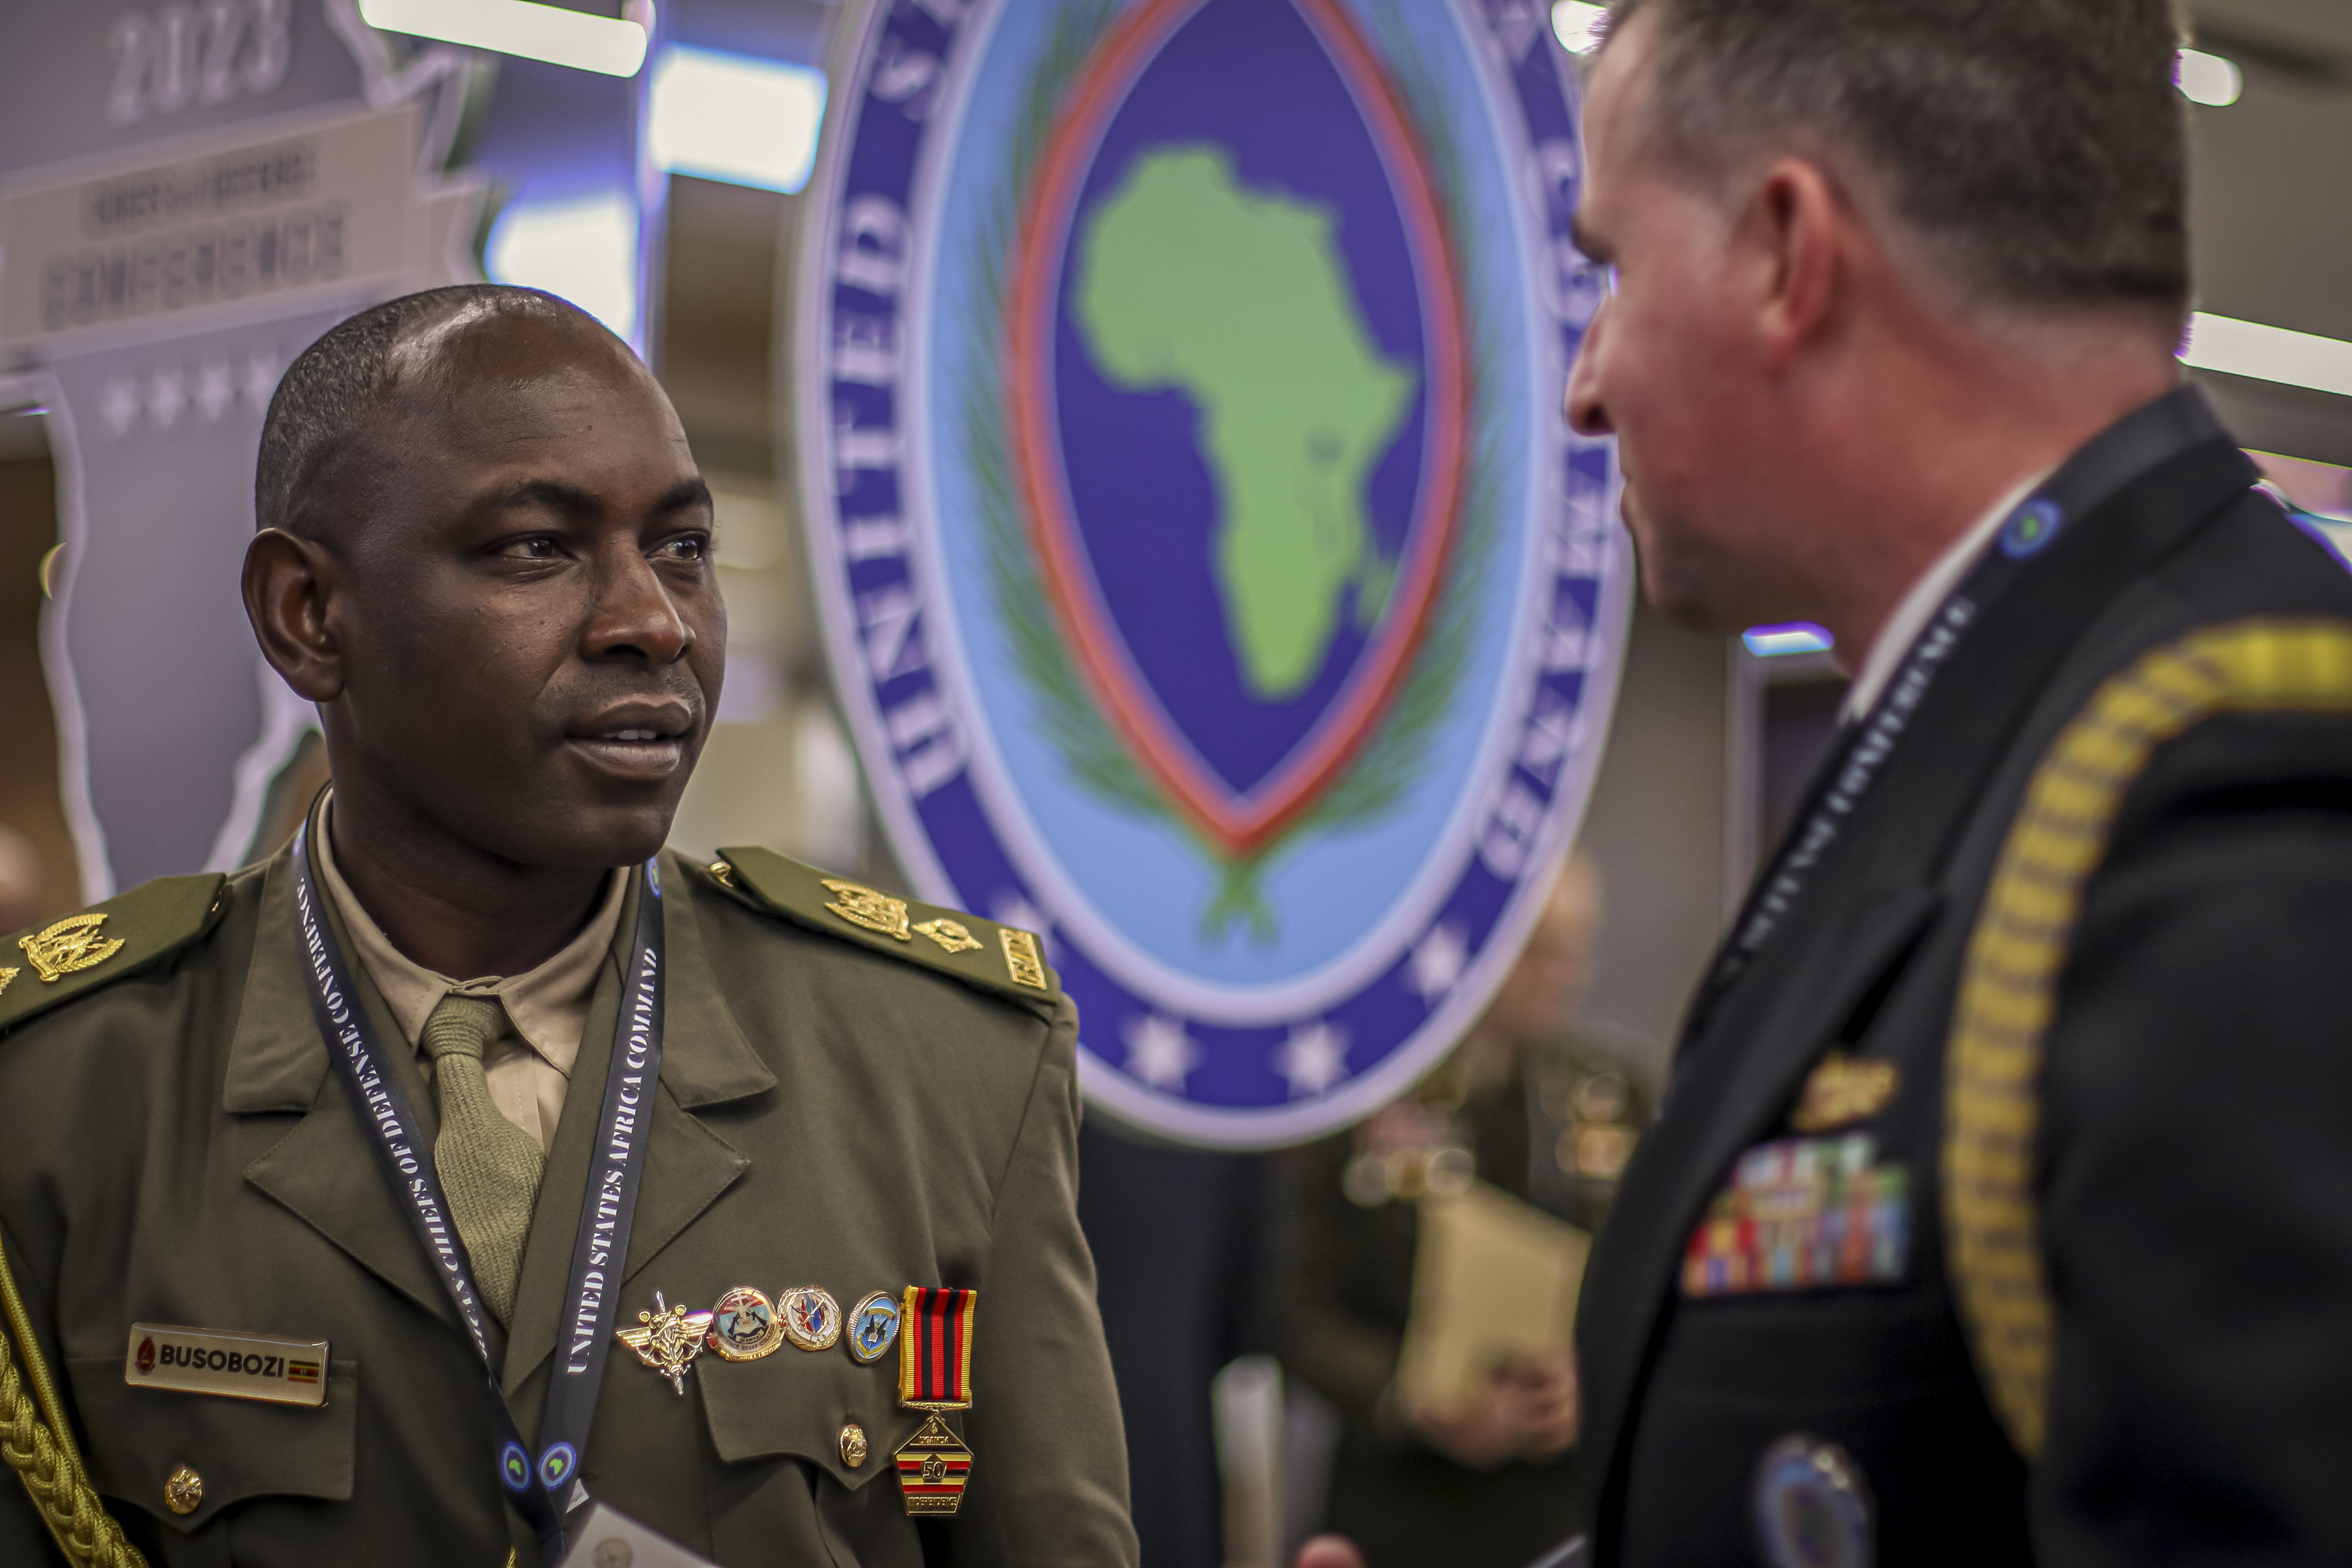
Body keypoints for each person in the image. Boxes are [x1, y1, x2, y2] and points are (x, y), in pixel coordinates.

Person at [0, 286, 1138, 1567]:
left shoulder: (938, 1059)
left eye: (683, 546)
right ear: (308, 614)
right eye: (538, 548)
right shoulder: (61, 1092)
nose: (655, 621)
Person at [1562, 1, 2352, 1564]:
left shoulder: (2228, 788)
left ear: (1788, 253)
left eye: (1614, 269)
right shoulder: (2006, 709)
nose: (1588, 383)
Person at [1277, 856, 1648, 1568]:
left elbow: (1657, 1301)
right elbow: (1294, 1312)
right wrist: (1408, 1397)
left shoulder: (1620, 1099)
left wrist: (1597, 1384)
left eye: (1577, 949)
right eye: (1540, 948)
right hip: (1401, 1510)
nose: (1562, 973)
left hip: (1561, 1517)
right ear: (1478, 940)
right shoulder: (1361, 1098)